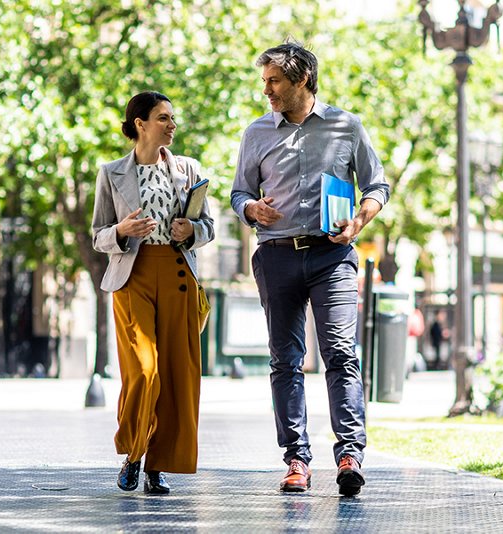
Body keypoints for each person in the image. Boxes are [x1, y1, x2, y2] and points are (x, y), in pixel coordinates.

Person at [231, 41, 389, 496]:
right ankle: (297, 458)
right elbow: (239, 192)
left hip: (331, 256)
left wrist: (359, 219)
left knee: (340, 351)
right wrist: (250, 210)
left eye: (274, 80)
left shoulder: (346, 126)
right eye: (264, 81)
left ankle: (349, 456)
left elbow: (376, 184)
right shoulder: (256, 133)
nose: (266, 91)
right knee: (286, 360)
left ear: (301, 79)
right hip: (276, 255)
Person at [91, 91, 215, 495]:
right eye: (163, 118)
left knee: (178, 376)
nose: (172, 124)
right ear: (140, 124)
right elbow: (97, 236)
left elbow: (208, 227)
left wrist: (192, 231)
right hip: (133, 278)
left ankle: (157, 465)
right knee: (144, 370)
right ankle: (133, 453)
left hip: (179, 276)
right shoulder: (111, 173)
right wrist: (120, 232)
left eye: (173, 117)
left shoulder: (189, 169)